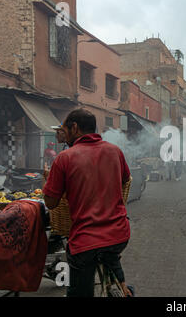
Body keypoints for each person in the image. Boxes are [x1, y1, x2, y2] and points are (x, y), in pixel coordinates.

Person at [43, 109, 132, 297]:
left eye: (65, 129)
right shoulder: (115, 151)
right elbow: (125, 180)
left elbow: (51, 203)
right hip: (119, 235)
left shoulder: (64, 158)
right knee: (111, 254)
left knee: (79, 290)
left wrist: (50, 183)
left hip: (85, 241)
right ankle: (125, 289)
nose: (63, 133)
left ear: (74, 128)